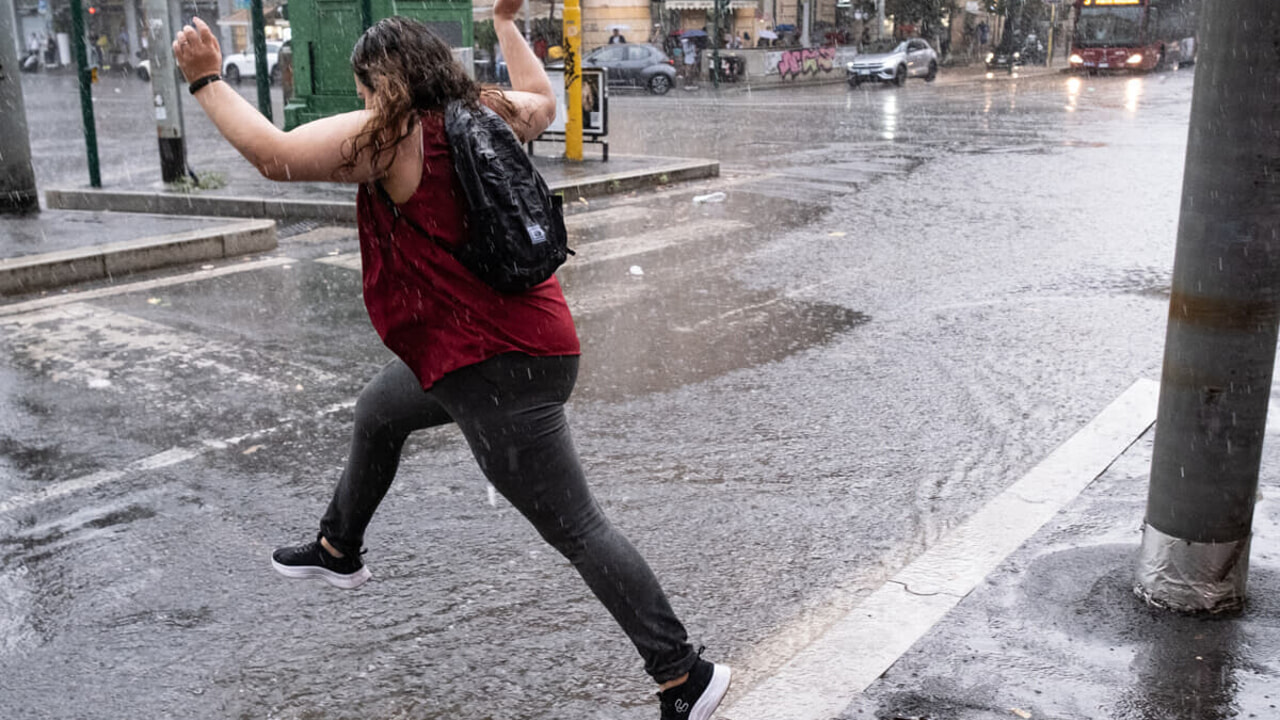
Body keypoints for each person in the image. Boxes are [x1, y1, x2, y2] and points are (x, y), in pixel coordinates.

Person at [169, 6, 731, 720]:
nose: (365, 102)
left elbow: (274, 156)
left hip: (497, 366)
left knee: (578, 528)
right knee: (380, 410)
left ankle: (684, 675)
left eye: (365, 88)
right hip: (511, 346)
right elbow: (547, 99)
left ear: (379, 81)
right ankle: (339, 545)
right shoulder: (485, 111)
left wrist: (206, 80)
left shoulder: (387, 137)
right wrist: (504, 24)